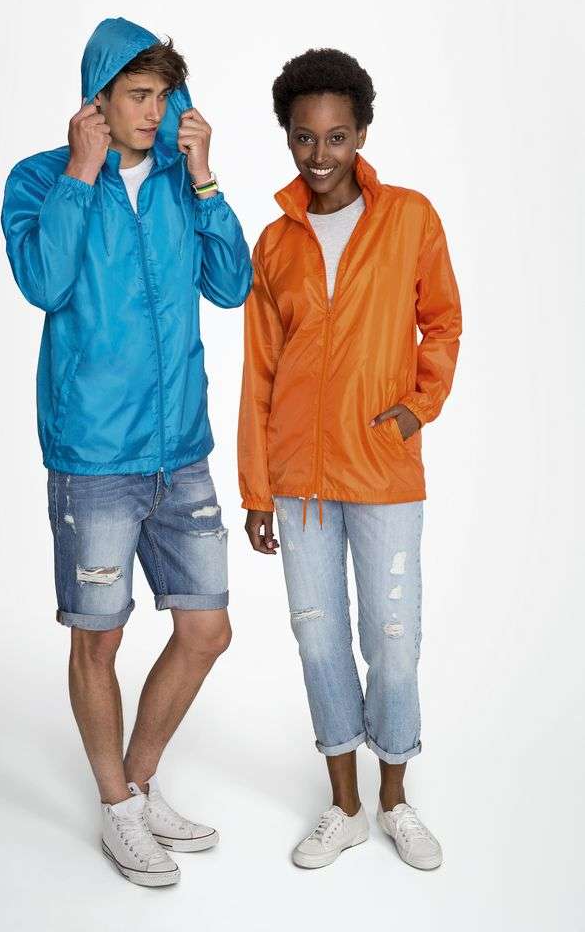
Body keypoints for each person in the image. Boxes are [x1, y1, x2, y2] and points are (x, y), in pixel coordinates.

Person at [1, 17, 252, 887]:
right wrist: (80, 173)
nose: (153, 111)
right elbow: (44, 282)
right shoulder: (40, 178)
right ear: (97, 100)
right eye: (137, 95)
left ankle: (138, 785)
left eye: (163, 96)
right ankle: (115, 807)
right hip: (94, 455)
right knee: (98, 641)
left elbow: (232, 286)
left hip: (180, 450)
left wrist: (206, 177)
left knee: (206, 629)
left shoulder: (183, 182)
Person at [238, 48, 461, 871]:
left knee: (392, 641)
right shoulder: (275, 242)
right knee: (319, 641)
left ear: (361, 134)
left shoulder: (408, 218)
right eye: (304, 137)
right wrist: (255, 489)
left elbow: (443, 321)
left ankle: (395, 801)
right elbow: (259, 371)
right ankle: (344, 808)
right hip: (297, 483)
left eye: (336, 136)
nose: (319, 154)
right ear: (287, 137)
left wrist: (415, 409)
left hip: (383, 472)